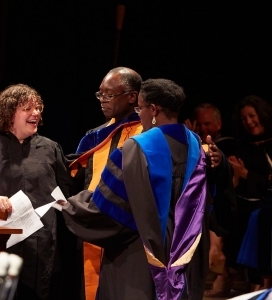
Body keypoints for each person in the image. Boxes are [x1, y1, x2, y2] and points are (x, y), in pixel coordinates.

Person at [60, 78, 228, 299]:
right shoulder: (200, 147)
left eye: (140, 108)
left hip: (139, 258)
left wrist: (72, 205)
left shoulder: (135, 149)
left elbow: (108, 210)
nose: (138, 115)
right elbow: (219, 202)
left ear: (154, 110)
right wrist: (222, 164)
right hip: (188, 259)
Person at [0, 83, 79, 300]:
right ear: (10, 112)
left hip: (41, 243)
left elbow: (65, 191)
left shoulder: (50, 148)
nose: (36, 113)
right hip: (0, 240)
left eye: (38, 108)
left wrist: (63, 203)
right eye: (28, 108)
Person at [67, 67, 143, 300]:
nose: (102, 101)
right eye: (100, 94)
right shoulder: (95, 136)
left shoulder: (148, 134)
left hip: (133, 233)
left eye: (109, 95)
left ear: (132, 97)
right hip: (95, 225)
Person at [185, 103, 238, 297]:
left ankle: (218, 262)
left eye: (208, 124)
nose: (203, 129)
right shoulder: (195, 143)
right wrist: (190, 139)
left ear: (219, 123)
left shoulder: (229, 145)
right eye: (200, 125)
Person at [230, 95, 272, 292]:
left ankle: (263, 283)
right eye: (244, 118)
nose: (248, 122)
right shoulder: (242, 146)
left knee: (259, 217)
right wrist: (238, 178)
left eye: (252, 116)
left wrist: (246, 174)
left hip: (266, 202)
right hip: (249, 200)